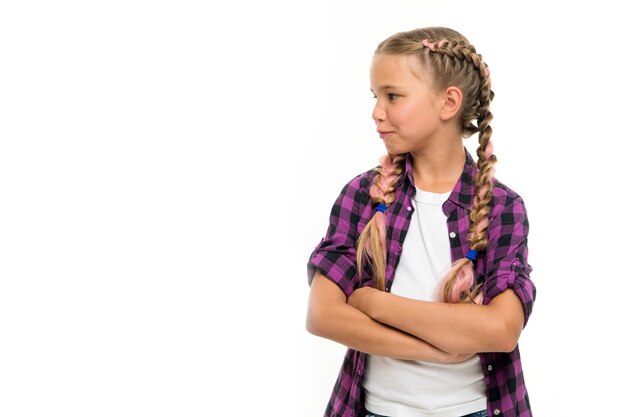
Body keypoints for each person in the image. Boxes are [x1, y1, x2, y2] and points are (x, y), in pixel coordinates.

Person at [305, 26, 536, 417]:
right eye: (376, 97)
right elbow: (323, 315)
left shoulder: (501, 206)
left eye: (392, 96)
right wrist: (437, 349)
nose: (377, 112)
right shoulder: (363, 195)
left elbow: (500, 330)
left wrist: (371, 302)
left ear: (448, 103)